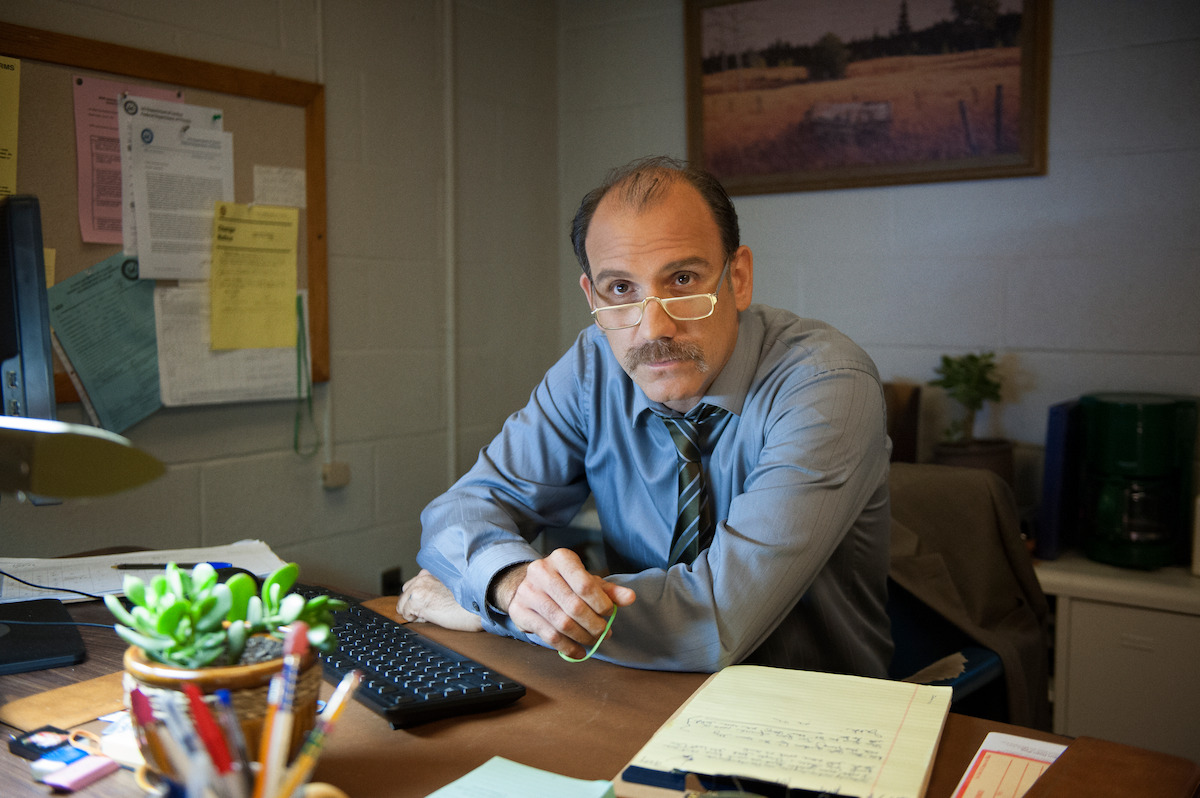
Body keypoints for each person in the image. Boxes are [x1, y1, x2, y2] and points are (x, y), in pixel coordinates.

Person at [398, 155, 893, 676]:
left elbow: (716, 621)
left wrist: (492, 612)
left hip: (814, 710)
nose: (652, 327)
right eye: (620, 290)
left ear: (739, 278)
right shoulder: (593, 365)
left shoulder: (828, 383)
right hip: (639, 692)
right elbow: (463, 508)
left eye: (682, 279)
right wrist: (510, 584)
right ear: (592, 296)